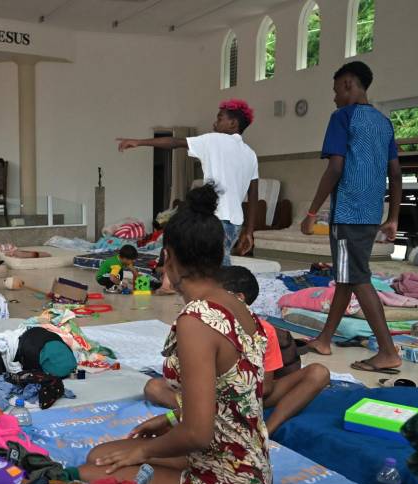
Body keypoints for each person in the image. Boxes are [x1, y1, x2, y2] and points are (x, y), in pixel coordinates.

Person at [79, 184, 272, 484]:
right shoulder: (237, 305)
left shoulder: (196, 321)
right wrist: (171, 418)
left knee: (92, 475)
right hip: (247, 466)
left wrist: (145, 452)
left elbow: (197, 433)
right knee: (102, 453)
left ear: (166, 256)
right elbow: (232, 396)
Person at [299, 61, 403, 375]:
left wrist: (312, 212)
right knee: (346, 275)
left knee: (357, 277)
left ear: (347, 84)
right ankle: (324, 339)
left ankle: (387, 351)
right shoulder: (384, 123)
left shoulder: (342, 117)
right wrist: (393, 217)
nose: (333, 98)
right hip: (371, 213)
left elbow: (335, 168)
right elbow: (396, 174)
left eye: (334, 91)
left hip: (347, 214)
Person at [149, 266, 329, 437]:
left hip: (248, 396)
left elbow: (265, 388)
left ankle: (266, 431)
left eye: (214, 294)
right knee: (154, 387)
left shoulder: (263, 330)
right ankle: (212, 415)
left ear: (238, 298)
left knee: (318, 373)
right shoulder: (205, 324)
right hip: (213, 397)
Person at [117, 100, 259, 265]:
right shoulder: (250, 154)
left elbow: (175, 143)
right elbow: (253, 193)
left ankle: (223, 288)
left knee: (214, 267)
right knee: (214, 261)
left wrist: (139, 142)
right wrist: (249, 231)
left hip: (215, 218)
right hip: (235, 223)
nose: (214, 123)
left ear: (233, 123)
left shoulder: (214, 140)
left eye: (220, 118)